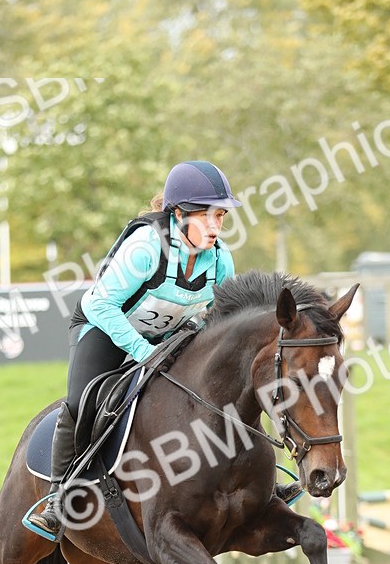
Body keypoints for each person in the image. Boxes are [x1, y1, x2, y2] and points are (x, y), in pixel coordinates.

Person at [27, 161, 303, 538]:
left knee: (230, 390)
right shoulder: (145, 249)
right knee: (83, 403)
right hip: (104, 328)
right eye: (206, 217)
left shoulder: (220, 259)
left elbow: (220, 320)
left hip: (165, 338)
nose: (215, 227)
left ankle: (263, 487)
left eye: (220, 216)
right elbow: (100, 305)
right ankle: (58, 499)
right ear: (178, 214)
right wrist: (141, 350)